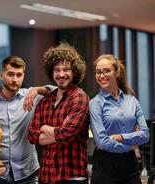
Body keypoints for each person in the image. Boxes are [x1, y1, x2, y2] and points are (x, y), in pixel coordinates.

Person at [28, 42, 90, 184]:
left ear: (74, 72)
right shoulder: (45, 101)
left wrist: (44, 128)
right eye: (57, 70)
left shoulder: (79, 97)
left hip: (72, 177)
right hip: (46, 176)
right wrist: (58, 133)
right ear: (52, 72)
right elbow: (32, 135)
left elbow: (66, 134)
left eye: (66, 69)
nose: (61, 74)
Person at [0, 56, 53, 184]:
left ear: (23, 76)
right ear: (1, 75)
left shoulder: (31, 96)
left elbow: (58, 92)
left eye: (19, 75)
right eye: (10, 74)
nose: (15, 79)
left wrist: (37, 89)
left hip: (27, 173)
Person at [89, 54, 150, 184]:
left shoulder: (132, 101)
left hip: (130, 166)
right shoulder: (95, 103)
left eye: (106, 71)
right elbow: (102, 142)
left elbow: (145, 135)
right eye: (98, 72)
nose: (101, 75)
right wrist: (129, 146)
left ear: (116, 73)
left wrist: (120, 137)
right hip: (105, 166)